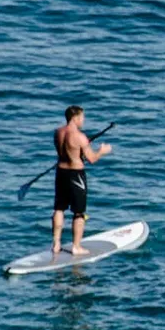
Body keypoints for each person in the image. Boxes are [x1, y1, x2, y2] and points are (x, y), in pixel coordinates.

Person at [51, 105, 113, 257]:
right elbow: (91, 159)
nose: (83, 121)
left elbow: (66, 151)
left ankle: (56, 243)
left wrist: (80, 151)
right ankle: (76, 247)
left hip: (61, 172)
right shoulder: (80, 137)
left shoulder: (58, 133)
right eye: (82, 117)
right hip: (76, 175)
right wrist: (102, 151)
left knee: (59, 208)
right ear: (76, 117)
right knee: (79, 212)